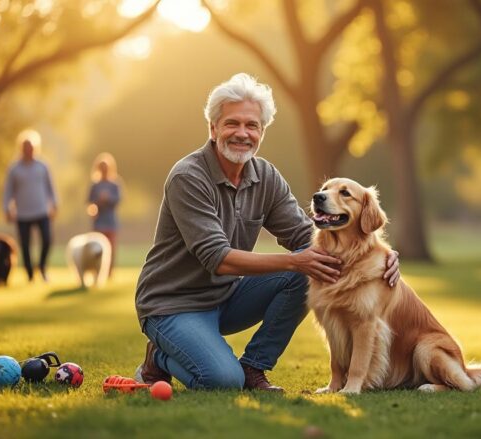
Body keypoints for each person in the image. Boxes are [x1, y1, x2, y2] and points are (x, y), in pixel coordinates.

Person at [134, 73, 400, 392]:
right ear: (213, 128)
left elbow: (306, 236)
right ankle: (159, 357)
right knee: (221, 380)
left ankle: (253, 367)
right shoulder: (188, 177)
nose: (242, 134)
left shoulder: (265, 176)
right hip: (172, 304)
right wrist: (293, 262)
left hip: (226, 297)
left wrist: (379, 255)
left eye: (252, 125)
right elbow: (217, 258)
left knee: (311, 269)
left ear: (261, 132)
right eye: (232, 123)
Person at [2, 129, 58, 282]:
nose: (29, 150)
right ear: (21, 148)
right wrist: (7, 208)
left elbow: (50, 187)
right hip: (23, 213)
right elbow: (8, 191)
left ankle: (42, 266)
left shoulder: (42, 166)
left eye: (31, 147)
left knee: (47, 240)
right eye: (26, 147)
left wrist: (54, 204)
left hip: (41, 210)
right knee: (25, 245)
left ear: (35, 148)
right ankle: (29, 274)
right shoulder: (14, 168)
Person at [87, 152, 122, 277]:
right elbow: (90, 202)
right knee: (96, 248)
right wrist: (98, 203)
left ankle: (109, 272)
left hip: (111, 221)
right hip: (98, 222)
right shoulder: (95, 185)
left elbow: (118, 200)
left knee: (111, 249)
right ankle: (97, 271)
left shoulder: (115, 184)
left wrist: (107, 199)